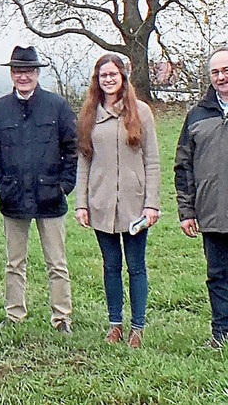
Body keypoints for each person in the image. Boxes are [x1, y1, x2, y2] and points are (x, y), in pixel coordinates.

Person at [0, 45, 77, 334]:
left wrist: (64, 185)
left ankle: (62, 318)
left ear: (37, 73)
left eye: (28, 71)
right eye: (18, 71)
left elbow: (73, 148)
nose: (23, 77)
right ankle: (14, 314)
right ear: (11, 75)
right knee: (14, 262)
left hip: (50, 197)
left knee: (57, 263)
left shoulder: (57, 107)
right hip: (13, 197)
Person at [75, 54, 160, 348]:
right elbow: (83, 162)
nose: (108, 80)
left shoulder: (142, 113)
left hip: (135, 207)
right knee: (110, 266)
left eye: (113, 74)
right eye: (103, 76)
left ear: (123, 77)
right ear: (97, 81)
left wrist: (152, 204)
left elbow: (152, 161)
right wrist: (81, 204)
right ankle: (115, 324)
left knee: (136, 266)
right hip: (101, 204)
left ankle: (137, 328)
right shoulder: (89, 115)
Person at [175, 46, 228, 349]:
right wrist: (186, 212)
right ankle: (221, 335)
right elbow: (183, 166)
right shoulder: (196, 115)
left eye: (226, 70)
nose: (221, 77)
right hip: (211, 213)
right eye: (216, 72)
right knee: (218, 277)